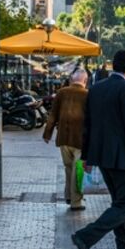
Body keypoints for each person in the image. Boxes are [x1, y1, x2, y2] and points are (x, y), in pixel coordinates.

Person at [72, 50, 125, 249]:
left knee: (119, 203)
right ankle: (85, 237)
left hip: (102, 157)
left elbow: (88, 126)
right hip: (124, 158)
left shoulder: (96, 88)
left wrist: (87, 156)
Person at [44, 70, 89, 211]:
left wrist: (47, 133)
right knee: (78, 169)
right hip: (80, 140)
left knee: (69, 168)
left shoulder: (61, 93)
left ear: (71, 80)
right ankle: (76, 201)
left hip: (63, 138)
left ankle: (69, 195)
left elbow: (53, 115)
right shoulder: (87, 94)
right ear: (85, 80)